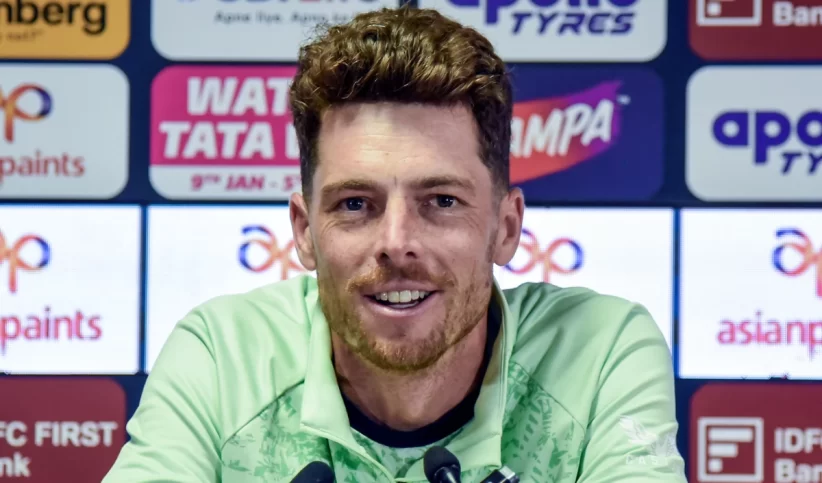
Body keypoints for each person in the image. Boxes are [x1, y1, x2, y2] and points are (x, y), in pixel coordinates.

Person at [103, 6, 685, 482]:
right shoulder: (222, 357)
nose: (397, 243)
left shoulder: (599, 352)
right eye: (356, 204)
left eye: (442, 201)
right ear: (304, 232)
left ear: (506, 228)